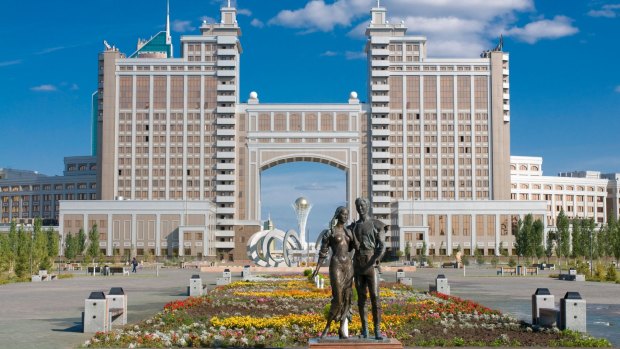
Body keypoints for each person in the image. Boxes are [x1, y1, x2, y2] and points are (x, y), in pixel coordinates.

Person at [312, 206, 358, 339]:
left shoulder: (349, 232)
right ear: (337, 215)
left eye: (347, 214)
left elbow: (357, 247)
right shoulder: (330, 232)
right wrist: (317, 269)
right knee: (338, 298)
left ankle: (341, 330)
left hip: (348, 266)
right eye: (343, 214)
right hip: (336, 265)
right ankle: (327, 327)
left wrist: (354, 233)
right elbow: (323, 252)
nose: (345, 216)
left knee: (347, 297)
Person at [350, 197, 386, 340]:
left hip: (371, 264)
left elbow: (382, 246)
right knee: (361, 299)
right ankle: (365, 329)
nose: (361, 208)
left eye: (363, 205)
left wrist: (377, 258)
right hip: (358, 265)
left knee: (375, 298)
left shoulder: (377, 224)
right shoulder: (353, 227)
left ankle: (377, 330)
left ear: (368, 206)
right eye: (358, 205)